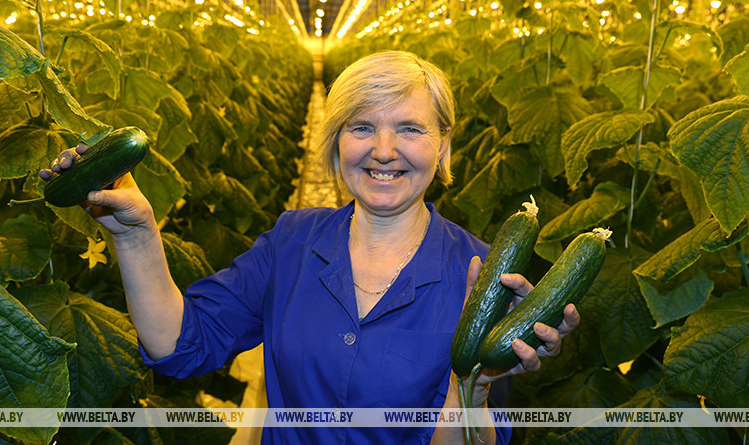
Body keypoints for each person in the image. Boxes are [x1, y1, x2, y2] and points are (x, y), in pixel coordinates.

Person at [41, 50, 580, 444]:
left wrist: (476, 384)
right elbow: (178, 346)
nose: (384, 150)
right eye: (361, 126)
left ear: (443, 147)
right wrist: (137, 233)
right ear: (337, 144)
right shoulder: (293, 241)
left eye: (411, 128)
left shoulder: (482, 275)